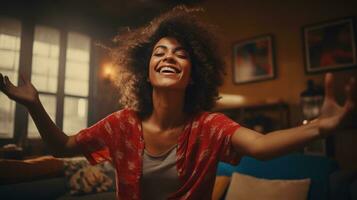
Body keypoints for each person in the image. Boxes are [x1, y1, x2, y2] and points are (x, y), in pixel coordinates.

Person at [0, 6, 355, 200]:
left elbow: (260, 146)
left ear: (193, 73)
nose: (169, 57)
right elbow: (62, 146)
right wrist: (33, 104)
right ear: (147, 70)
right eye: (160, 52)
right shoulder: (121, 123)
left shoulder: (209, 126)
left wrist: (319, 127)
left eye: (181, 54)